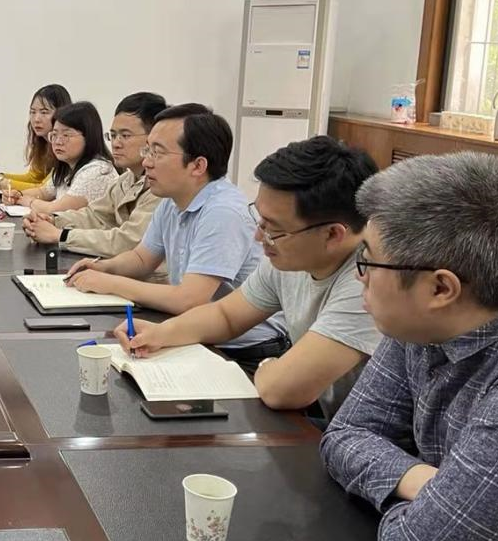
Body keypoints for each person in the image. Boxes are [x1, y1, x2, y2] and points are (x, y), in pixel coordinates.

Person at [320, 152, 498, 541]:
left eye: (369, 261)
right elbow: (345, 434)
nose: (358, 276)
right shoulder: (423, 326)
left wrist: (432, 513)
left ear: (440, 288)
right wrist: (426, 484)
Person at [115, 136, 380, 416]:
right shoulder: (293, 257)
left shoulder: (368, 281)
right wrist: (160, 334)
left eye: (273, 228)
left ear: (333, 234)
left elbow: (281, 390)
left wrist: (268, 365)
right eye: (260, 219)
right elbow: (227, 316)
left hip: (357, 430)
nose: (259, 236)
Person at [64, 104, 286, 368]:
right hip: (196, 335)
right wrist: (103, 267)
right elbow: (141, 258)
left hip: (244, 352)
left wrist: (109, 282)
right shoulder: (171, 200)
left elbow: (189, 300)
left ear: (198, 165)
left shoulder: (223, 212)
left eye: (157, 153)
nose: (146, 162)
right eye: (147, 150)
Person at [23, 92, 167, 257]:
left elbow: (128, 241)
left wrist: (60, 235)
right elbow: (95, 215)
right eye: (113, 135)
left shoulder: (162, 188)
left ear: (153, 138)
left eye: (125, 136)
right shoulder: (126, 180)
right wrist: (53, 220)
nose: (116, 143)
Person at [1, 102, 118, 214]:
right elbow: (43, 192)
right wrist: (17, 195)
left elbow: (56, 209)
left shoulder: (98, 171)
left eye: (66, 135)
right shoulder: (67, 166)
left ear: (88, 137)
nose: (57, 142)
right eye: (54, 135)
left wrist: (26, 200)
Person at [0, 84, 71, 193]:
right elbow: (33, 177)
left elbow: (44, 189)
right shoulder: (43, 142)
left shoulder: (65, 147)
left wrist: (0, 182)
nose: (36, 119)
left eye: (44, 112)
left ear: (61, 114)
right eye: (32, 112)